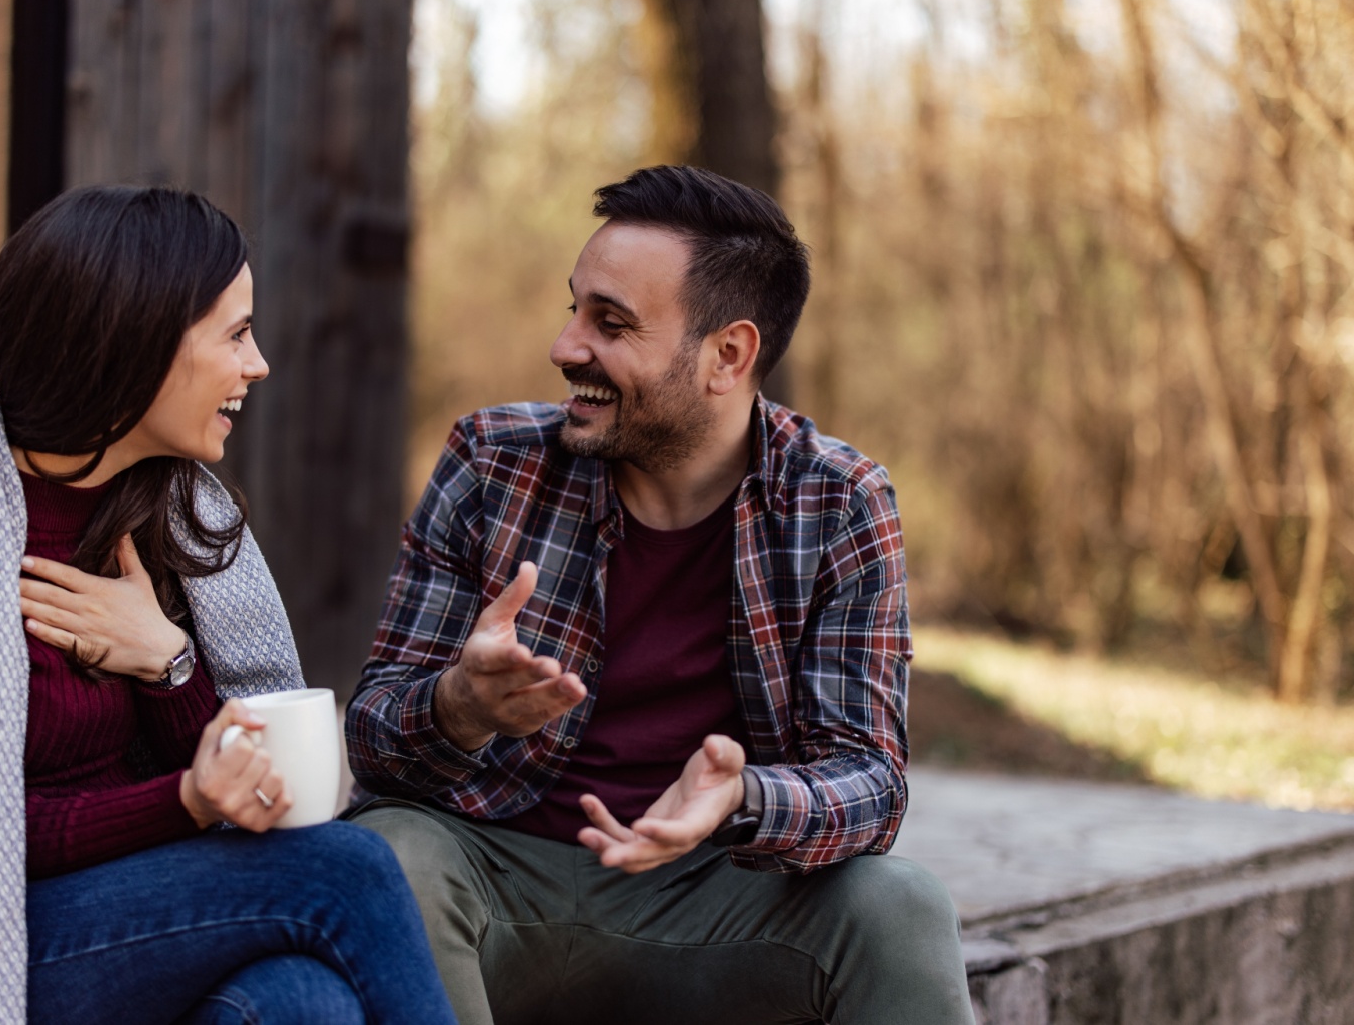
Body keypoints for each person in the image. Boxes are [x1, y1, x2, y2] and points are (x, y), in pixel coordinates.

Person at [0, 186, 456, 1025]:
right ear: (135, 345)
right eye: (235, 334)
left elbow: (237, 778)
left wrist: (168, 664)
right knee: (350, 870)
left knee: (304, 1004)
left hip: (150, 913)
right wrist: (182, 803)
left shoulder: (182, 518)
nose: (258, 363)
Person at [345, 165, 975, 1025]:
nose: (567, 346)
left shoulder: (839, 501)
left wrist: (745, 794)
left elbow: (872, 780)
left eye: (611, 323)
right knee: (386, 855)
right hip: (492, 886)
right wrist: (457, 706)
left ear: (728, 355)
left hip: (711, 901)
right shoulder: (490, 464)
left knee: (900, 906)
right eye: (573, 309)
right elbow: (375, 738)